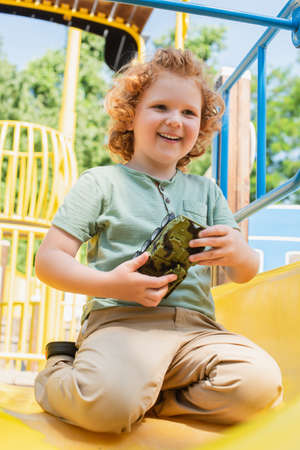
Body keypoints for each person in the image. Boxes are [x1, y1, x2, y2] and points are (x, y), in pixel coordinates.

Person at [34, 48, 282, 434]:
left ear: (200, 127)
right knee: (104, 408)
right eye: (161, 107)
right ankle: (59, 370)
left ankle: (143, 400)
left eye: (188, 113)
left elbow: (243, 273)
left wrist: (240, 253)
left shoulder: (207, 192)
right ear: (131, 116)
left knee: (260, 385)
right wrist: (111, 284)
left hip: (196, 334)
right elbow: (49, 261)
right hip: (122, 325)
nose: (175, 120)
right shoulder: (100, 183)